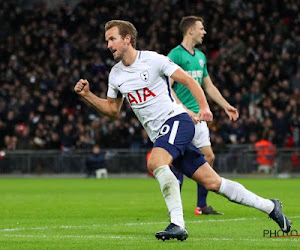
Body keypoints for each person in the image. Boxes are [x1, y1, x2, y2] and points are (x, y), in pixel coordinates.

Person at [74, 20, 291, 241]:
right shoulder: (116, 75)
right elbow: (112, 110)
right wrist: (88, 96)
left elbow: (188, 81)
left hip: (177, 120)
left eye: (112, 39)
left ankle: (177, 224)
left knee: (155, 162)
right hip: (162, 134)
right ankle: (270, 206)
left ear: (127, 39)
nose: (109, 45)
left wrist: (204, 107)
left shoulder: (154, 60)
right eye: (107, 41)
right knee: (214, 183)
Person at [168, 16, 239, 215]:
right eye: (201, 28)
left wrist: (226, 105)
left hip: (199, 117)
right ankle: (175, 207)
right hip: (182, 116)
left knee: (209, 156)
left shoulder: (200, 56)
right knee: (177, 158)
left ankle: (201, 205)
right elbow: (168, 87)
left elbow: (208, 85)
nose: (204, 32)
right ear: (190, 31)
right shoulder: (175, 55)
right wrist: (184, 109)